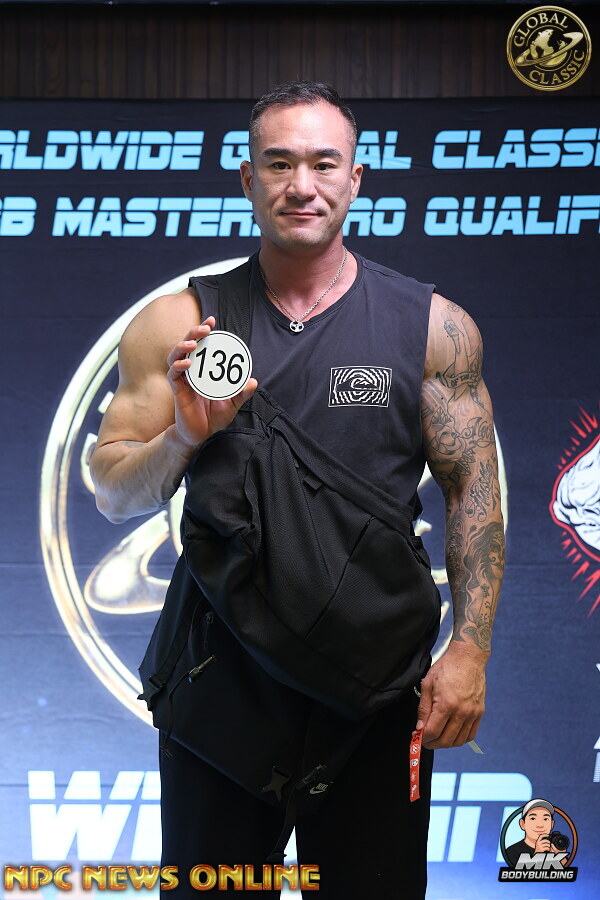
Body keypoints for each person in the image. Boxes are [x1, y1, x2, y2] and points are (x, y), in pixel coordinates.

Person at [90, 81, 504, 898]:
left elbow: (475, 495)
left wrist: (470, 649)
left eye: (323, 163)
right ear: (248, 180)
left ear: (356, 178)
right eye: (278, 164)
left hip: (376, 690)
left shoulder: (432, 328)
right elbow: (114, 493)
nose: (301, 185)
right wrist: (183, 436)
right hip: (221, 682)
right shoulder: (179, 324)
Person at [506, 799, 567, 868]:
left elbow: (568, 872)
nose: (540, 825)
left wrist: (560, 856)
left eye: (545, 819)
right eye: (533, 818)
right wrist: (537, 854)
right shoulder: (512, 851)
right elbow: (518, 873)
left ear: (552, 824)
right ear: (522, 824)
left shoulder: (554, 847)